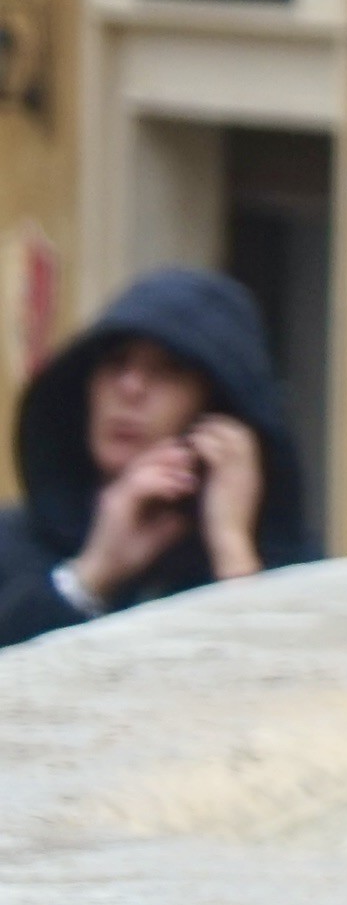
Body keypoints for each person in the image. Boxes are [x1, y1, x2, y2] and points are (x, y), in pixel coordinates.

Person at [4, 265, 318, 646]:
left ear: (217, 410)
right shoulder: (15, 547)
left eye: (169, 370)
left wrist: (232, 547)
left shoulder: (294, 569)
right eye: (117, 363)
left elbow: (284, 686)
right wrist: (92, 575)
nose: (131, 388)